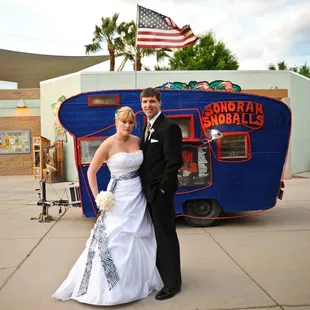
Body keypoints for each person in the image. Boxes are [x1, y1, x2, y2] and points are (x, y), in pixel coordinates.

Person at [52, 106, 163, 306]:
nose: (127, 125)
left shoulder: (138, 141)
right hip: (118, 197)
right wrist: (98, 198)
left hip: (137, 196)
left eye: (130, 122)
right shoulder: (107, 144)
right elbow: (90, 173)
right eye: (124, 122)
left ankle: (134, 282)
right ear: (116, 123)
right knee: (115, 239)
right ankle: (110, 286)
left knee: (138, 236)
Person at [140, 87, 183, 300]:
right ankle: (160, 275)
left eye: (152, 101)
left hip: (161, 193)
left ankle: (173, 284)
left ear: (160, 103)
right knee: (154, 237)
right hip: (146, 192)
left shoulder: (169, 127)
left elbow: (174, 162)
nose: (148, 105)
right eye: (145, 102)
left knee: (166, 237)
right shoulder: (145, 126)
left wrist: (164, 188)